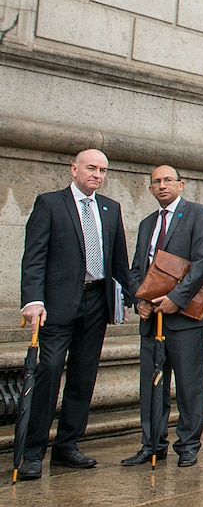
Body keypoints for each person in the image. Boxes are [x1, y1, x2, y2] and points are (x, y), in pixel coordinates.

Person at [18, 148, 132, 480]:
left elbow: (119, 261)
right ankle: (33, 452)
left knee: (83, 375)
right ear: (74, 169)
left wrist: (135, 296)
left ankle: (68, 446)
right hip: (57, 304)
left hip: (96, 302)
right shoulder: (50, 204)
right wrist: (33, 300)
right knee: (49, 371)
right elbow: (34, 257)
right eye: (91, 168)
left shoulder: (111, 209)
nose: (97, 175)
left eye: (103, 170)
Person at [122, 165, 203, 468]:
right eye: (156, 182)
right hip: (151, 318)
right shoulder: (148, 223)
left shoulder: (198, 214)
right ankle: (151, 444)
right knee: (151, 386)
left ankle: (187, 445)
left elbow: (202, 262)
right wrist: (140, 302)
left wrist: (176, 298)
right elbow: (136, 269)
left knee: (189, 386)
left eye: (168, 181)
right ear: (150, 189)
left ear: (181, 184)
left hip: (185, 318)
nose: (162, 186)